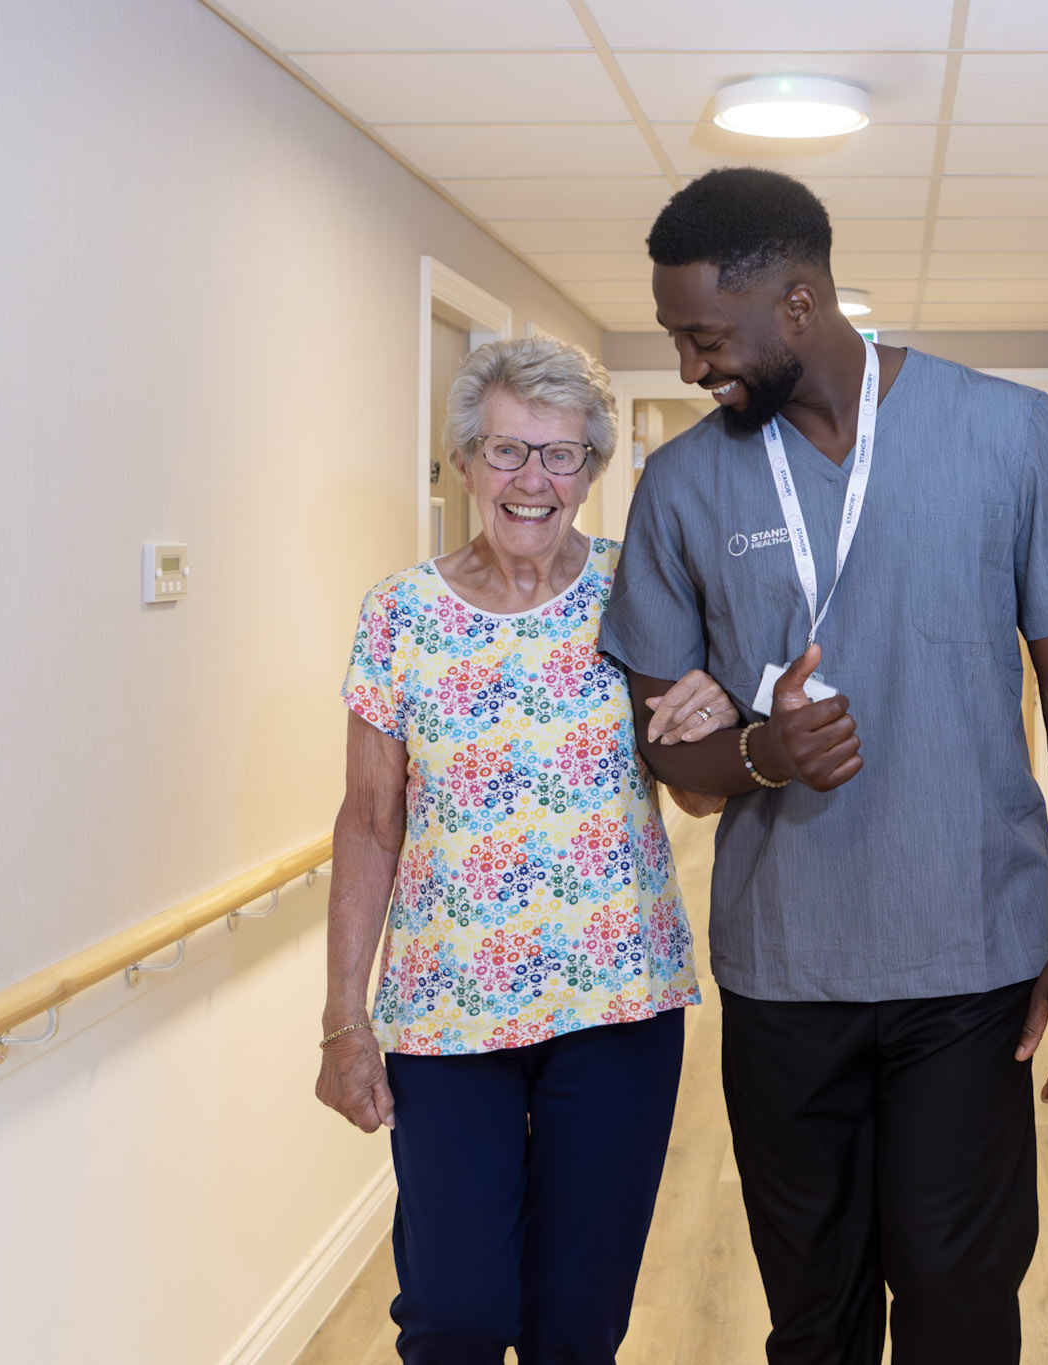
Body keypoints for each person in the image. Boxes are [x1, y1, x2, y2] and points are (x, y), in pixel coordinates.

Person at [604, 168, 1048, 1363]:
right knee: (815, 1315)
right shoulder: (680, 485)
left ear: (797, 304)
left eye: (705, 338)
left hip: (967, 962)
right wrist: (760, 752)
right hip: (781, 970)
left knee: (960, 1300)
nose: (693, 369)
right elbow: (675, 754)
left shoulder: (1007, 433)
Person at [314, 334, 737, 1363]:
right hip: (447, 1016)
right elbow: (370, 822)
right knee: (454, 1316)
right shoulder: (399, 615)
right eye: (506, 452)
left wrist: (704, 722)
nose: (532, 481)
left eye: (560, 456)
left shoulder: (636, 591)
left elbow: (691, 799)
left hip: (614, 1007)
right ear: (463, 461)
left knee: (573, 1325)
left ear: (592, 470)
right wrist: (342, 1019)